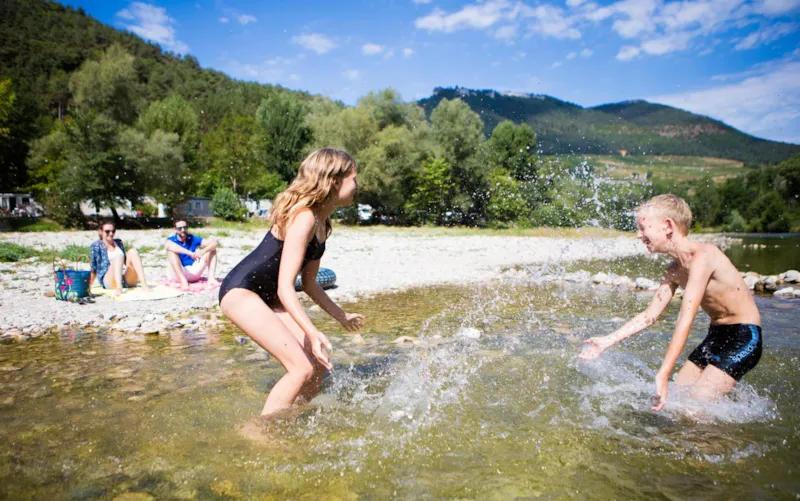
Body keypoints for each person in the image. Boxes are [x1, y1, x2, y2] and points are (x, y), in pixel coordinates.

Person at [219, 148, 365, 418]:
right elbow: (286, 286)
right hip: (242, 291)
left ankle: (293, 415)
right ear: (334, 181)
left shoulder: (323, 224)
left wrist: (341, 316)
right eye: (353, 178)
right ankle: (260, 433)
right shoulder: (304, 216)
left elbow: (310, 285)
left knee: (319, 366)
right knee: (301, 368)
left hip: (269, 297)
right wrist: (312, 332)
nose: (357, 185)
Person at [579, 194, 762, 411]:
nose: (639, 236)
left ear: (667, 226)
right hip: (715, 337)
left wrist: (663, 372)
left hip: (743, 338)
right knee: (675, 402)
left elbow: (686, 318)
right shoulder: (673, 271)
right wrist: (607, 341)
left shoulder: (704, 257)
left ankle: (718, 443)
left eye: (643, 228)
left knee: (694, 409)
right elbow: (649, 315)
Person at [89, 220, 152, 297]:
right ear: (100, 232)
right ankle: (119, 287)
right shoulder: (96, 246)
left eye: (113, 231)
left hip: (124, 277)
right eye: (107, 231)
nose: (111, 234)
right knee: (118, 257)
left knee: (133, 252)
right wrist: (88, 286)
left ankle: (144, 284)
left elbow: (125, 261)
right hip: (109, 279)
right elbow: (93, 268)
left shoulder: (118, 242)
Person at [165, 220, 220, 289]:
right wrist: (190, 253)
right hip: (178, 274)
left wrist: (202, 251)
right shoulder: (171, 240)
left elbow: (214, 243)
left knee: (212, 250)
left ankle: (211, 279)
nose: (183, 230)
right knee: (171, 252)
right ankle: (183, 281)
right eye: (180, 228)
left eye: (185, 227)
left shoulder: (192, 238)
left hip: (193, 271)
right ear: (175, 229)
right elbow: (168, 246)